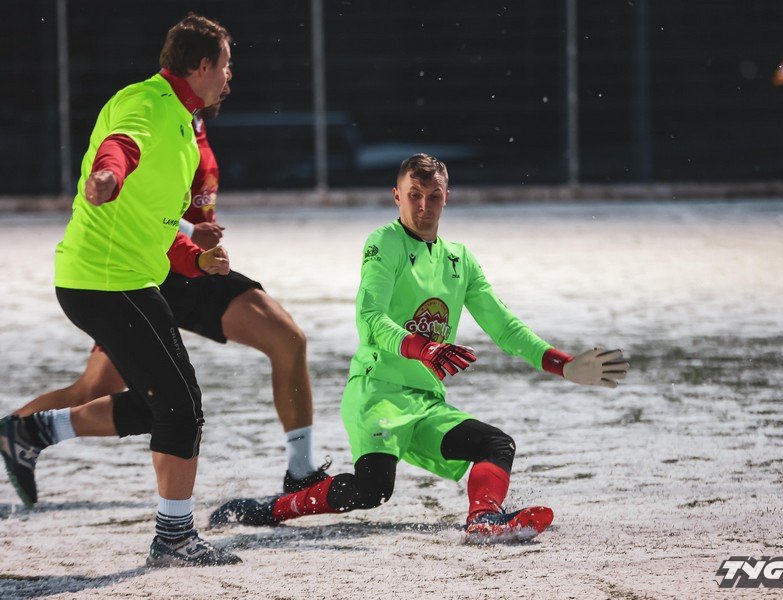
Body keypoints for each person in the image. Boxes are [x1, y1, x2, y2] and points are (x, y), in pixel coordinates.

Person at [210, 154, 629, 542]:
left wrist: (563, 365)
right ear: (397, 196)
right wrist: (422, 349)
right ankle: (273, 509)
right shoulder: (384, 243)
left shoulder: (459, 259)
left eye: (434, 196)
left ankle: (483, 520)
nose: (424, 206)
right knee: (373, 489)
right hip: (376, 393)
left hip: (426, 403)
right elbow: (370, 319)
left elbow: (504, 326)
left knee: (496, 445)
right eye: (414, 195)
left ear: (448, 197)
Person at [0, 14, 241, 566]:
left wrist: (195, 256)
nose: (230, 75)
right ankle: (174, 538)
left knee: (163, 405)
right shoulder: (148, 103)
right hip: (105, 281)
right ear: (202, 65)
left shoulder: (183, 123)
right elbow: (120, 146)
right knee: (181, 407)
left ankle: (34, 431)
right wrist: (107, 176)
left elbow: (155, 222)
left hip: (120, 278)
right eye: (226, 64)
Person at [10, 101, 326, 497]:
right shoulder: (161, 116)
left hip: (187, 270)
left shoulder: (193, 122)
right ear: (201, 71)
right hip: (154, 275)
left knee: (286, 339)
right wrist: (190, 233)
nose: (229, 83)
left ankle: (301, 471)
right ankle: (18, 433)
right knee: (103, 392)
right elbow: (140, 201)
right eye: (224, 71)